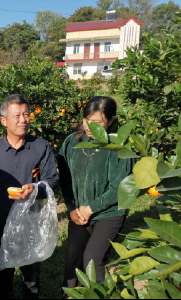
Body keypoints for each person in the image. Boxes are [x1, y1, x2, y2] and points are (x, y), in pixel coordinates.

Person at [0, 94, 59, 299]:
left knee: (31, 276)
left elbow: (52, 178)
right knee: (2, 275)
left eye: (26, 114)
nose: (23, 120)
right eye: (16, 115)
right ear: (3, 121)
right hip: (1, 219)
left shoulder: (40, 146)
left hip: (31, 219)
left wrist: (35, 189)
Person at [57, 96, 135, 290]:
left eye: (98, 123)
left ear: (110, 120)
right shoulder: (71, 142)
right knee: (72, 259)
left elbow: (120, 187)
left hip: (109, 213)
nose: (90, 126)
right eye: (86, 120)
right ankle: (69, 295)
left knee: (92, 260)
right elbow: (65, 179)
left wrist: (90, 209)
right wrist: (72, 208)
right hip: (79, 213)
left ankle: (100, 294)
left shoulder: (118, 147)